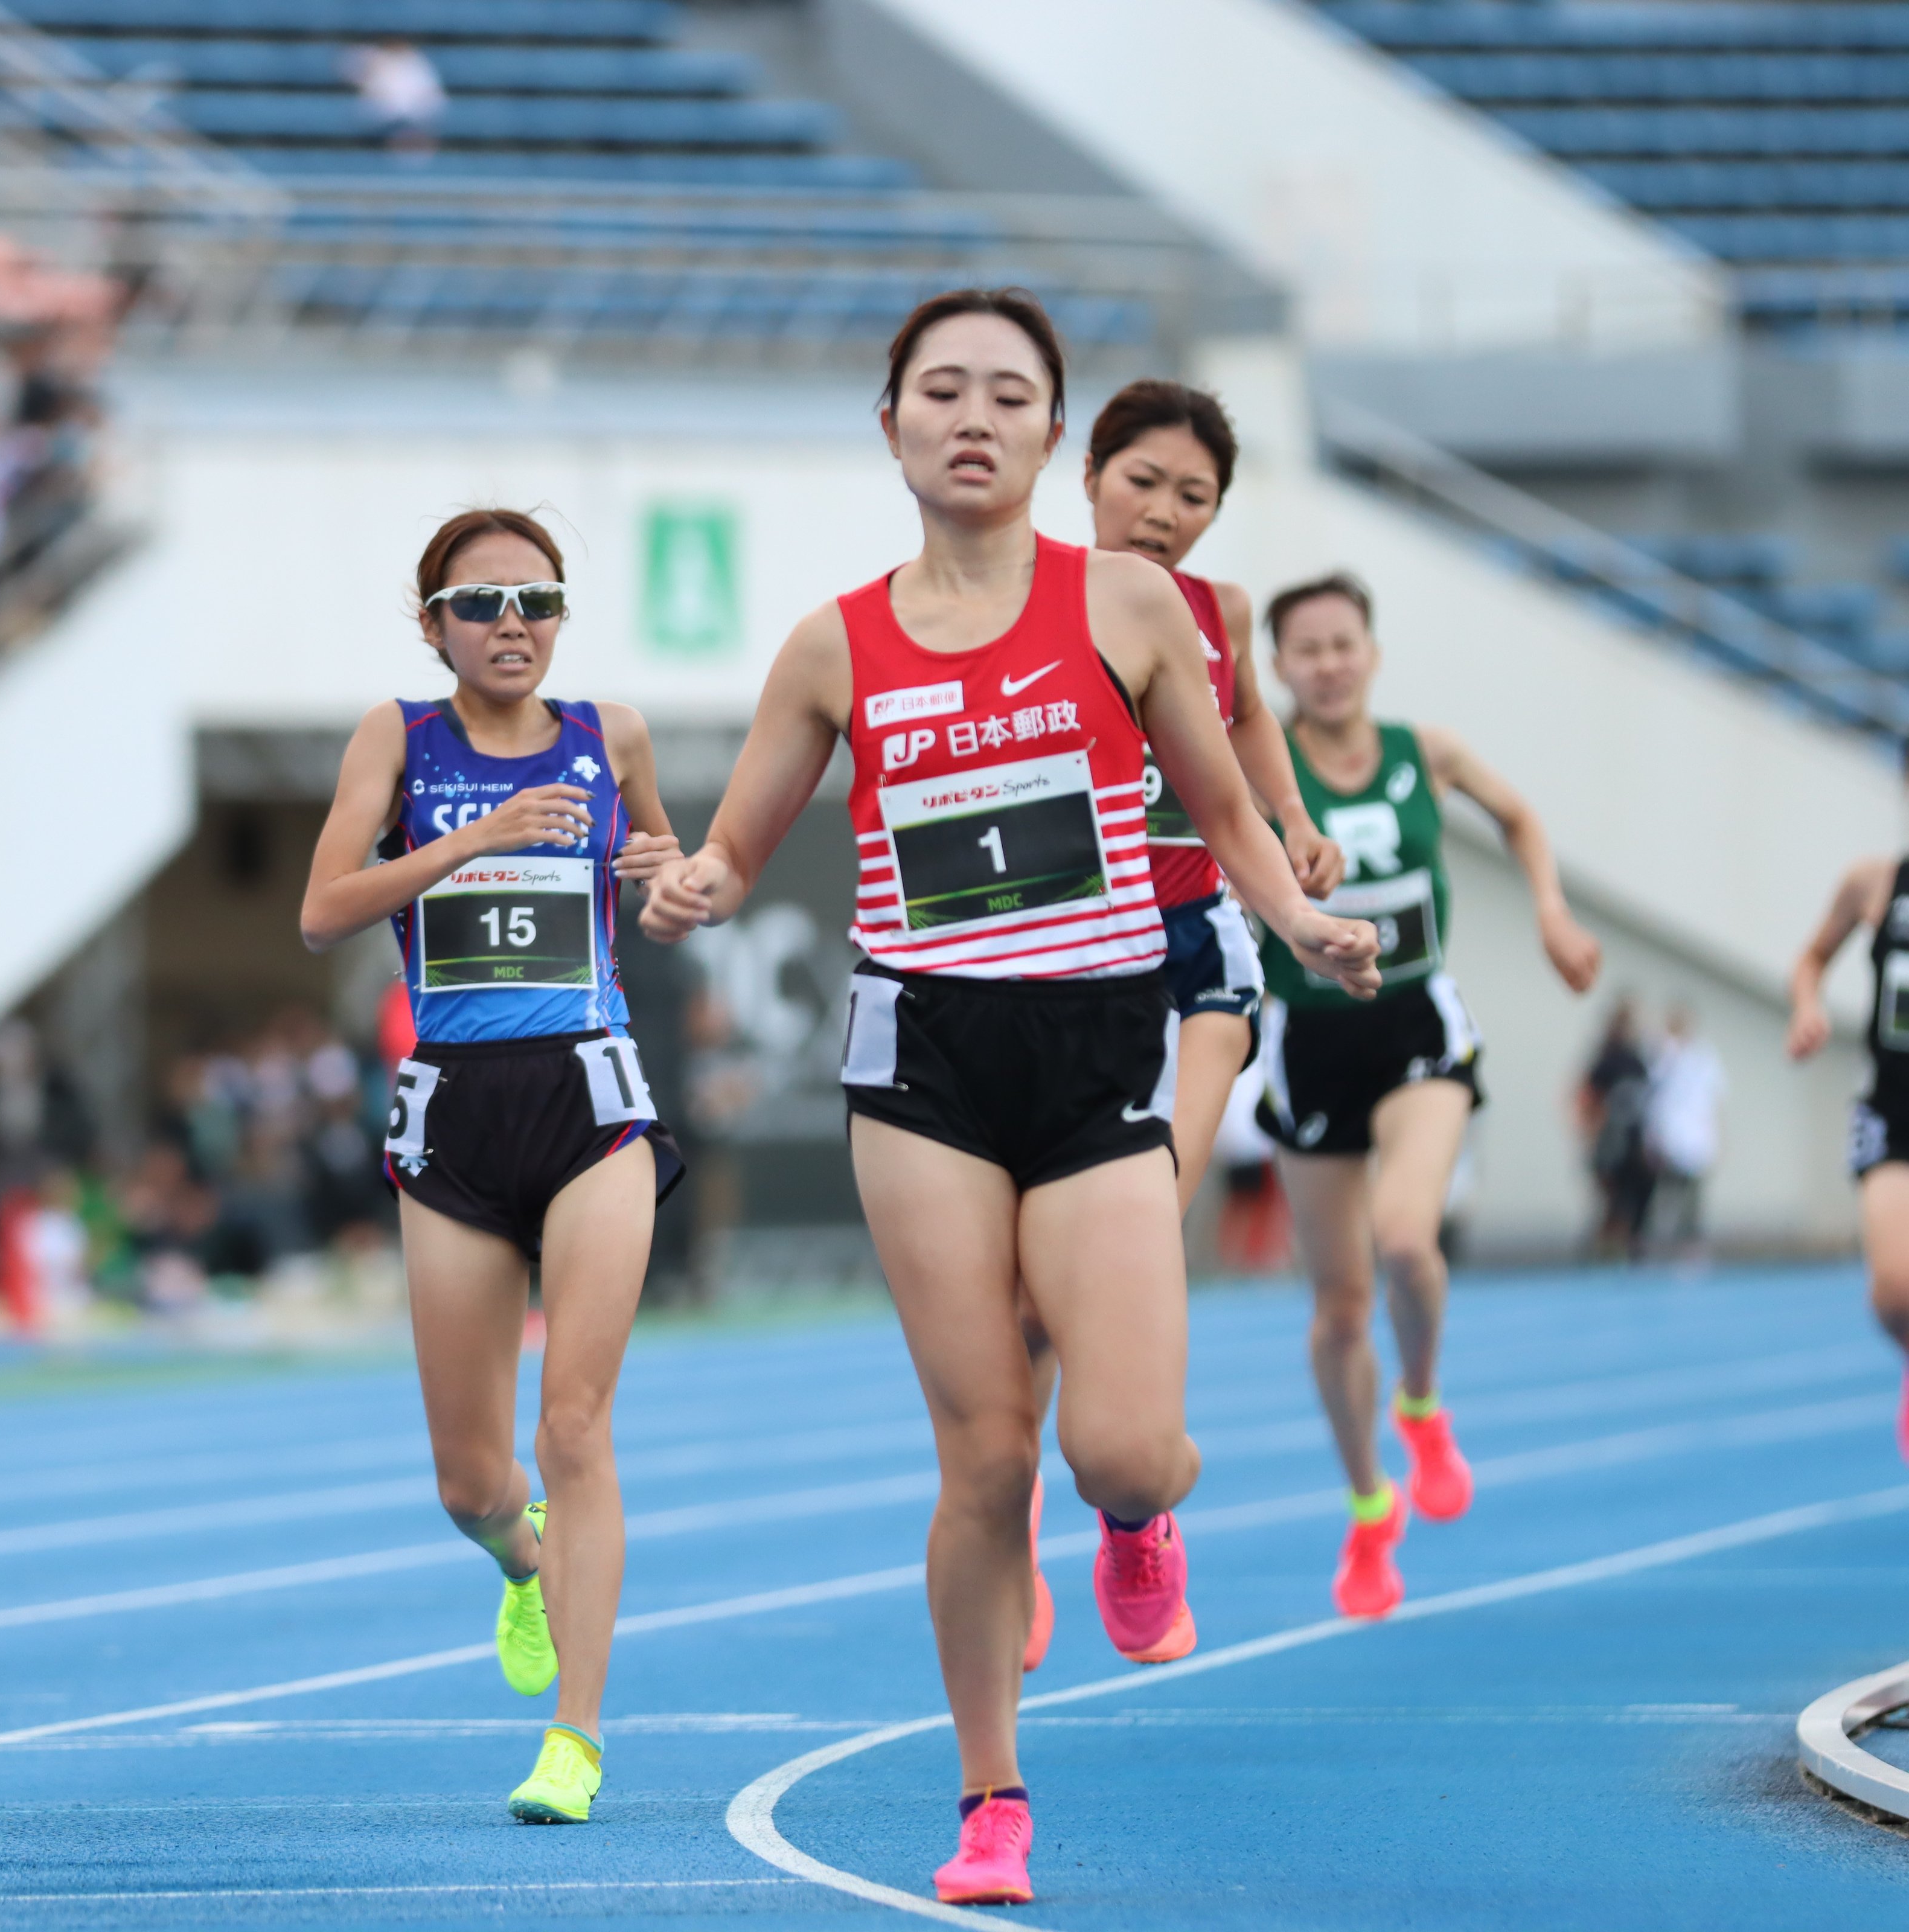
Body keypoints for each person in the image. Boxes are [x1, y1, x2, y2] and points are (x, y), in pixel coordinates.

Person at [638, 290, 1379, 1906]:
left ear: (1056, 434)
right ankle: (992, 1803)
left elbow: (1231, 805)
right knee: (984, 1458)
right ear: (892, 421)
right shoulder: (836, 641)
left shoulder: (1125, 605)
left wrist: (1298, 915)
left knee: (1118, 1447)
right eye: (941, 392)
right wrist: (691, 880)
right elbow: (740, 840)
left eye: (1009, 396)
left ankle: (1134, 1518)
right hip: (924, 1067)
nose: (972, 418)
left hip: (1101, 1043)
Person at [301, 508, 684, 1826]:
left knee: (572, 1422)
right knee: (473, 1481)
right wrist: (475, 838)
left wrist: (669, 873)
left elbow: (665, 864)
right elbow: (320, 910)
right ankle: (523, 1567)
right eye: (480, 603)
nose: (511, 623)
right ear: (433, 627)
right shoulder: (396, 738)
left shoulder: (610, 732)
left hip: (587, 1091)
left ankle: (574, 1738)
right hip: (456, 1111)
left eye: (537, 599)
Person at [1009, 379, 1346, 1672]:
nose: (1163, 512)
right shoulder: (1017, 602)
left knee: (1135, 1227)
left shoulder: (1218, 614)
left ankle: (1134, 1511)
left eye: (1194, 496)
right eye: (1142, 480)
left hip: (1194, 950)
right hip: (1045, 962)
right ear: (1087, 473)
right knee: (1027, 1306)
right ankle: (1029, 1515)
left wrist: (1293, 818)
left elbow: (1248, 715)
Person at [1256, 572, 1601, 1623]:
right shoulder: (1254, 761)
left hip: (1416, 1028)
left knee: (1408, 1240)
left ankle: (1422, 1402)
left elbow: (1520, 814)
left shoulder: (1425, 753)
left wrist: (1549, 909)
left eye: (1342, 643)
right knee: (1337, 1305)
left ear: (1371, 651)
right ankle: (1369, 1504)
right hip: (1309, 1041)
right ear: (1277, 667)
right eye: (1305, 650)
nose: (1327, 664)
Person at [1786, 846, 1909, 1459]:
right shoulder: (1873, 883)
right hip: (1894, 1108)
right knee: (1894, 1292)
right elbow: (1811, 958)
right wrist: (1808, 1005)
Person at [1643, 1003, 1722, 1262]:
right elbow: (1652, 1097)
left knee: (1693, 1198)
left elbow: (1713, 1099)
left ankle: (1690, 1246)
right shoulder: (1659, 1055)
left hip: (1695, 1139)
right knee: (1664, 1194)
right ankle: (1657, 1247)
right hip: (1667, 1138)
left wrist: (1716, 1134)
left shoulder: (1702, 1056)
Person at [1577, 996, 1654, 1258]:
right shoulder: (1607, 1060)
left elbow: (1646, 1104)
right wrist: (1590, 1132)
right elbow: (1587, 1097)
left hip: (1634, 1142)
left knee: (1638, 1195)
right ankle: (1603, 1250)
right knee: (1613, 1200)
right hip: (1611, 1141)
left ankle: (1630, 1246)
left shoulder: (1639, 1061)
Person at [344, 36, 447, 157]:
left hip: (412, 122)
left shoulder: (418, 65)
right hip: (380, 126)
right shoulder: (373, 59)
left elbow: (433, 104)